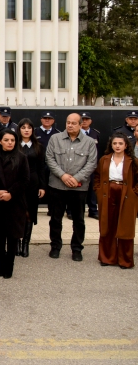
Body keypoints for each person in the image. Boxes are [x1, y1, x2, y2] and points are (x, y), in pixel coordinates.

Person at [46, 113, 98, 261]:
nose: (70, 125)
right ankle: (55, 246)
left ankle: (77, 248)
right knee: (55, 219)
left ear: (81, 125)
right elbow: (49, 158)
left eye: (74, 123)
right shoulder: (55, 139)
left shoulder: (89, 142)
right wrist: (63, 175)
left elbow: (91, 163)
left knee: (78, 220)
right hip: (57, 186)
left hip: (79, 188)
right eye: (68, 122)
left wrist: (76, 178)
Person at [0, 129, 29, 278]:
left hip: (15, 201)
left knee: (12, 236)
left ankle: (9, 265)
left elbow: (24, 180)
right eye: (6, 140)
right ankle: (0, 263)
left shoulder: (22, 157)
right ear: (0, 141)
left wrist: (10, 193)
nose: (10, 142)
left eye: (12, 140)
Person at [93, 133, 138, 269]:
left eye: (120, 144)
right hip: (108, 193)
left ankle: (125, 260)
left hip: (126, 194)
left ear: (125, 145)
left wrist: (134, 192)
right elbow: (97, 176)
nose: (117, 146)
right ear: (111, 145)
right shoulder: (105, 160)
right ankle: (107, 257)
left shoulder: (132, 161)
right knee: (108, 225)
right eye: (114, 143)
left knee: (125, 226)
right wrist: (99, 191)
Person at [17, 118, 46, 258]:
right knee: (18, 212)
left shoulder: (38, 146)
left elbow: (42, 168)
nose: (26, 130)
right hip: (17, 182)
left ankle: (25, 244)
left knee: (29, 213)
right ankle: (16, 241)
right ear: (19, 129)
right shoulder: (15, 145)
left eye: (29, 127)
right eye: (23, 127)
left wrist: (42, 186)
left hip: (33, 182)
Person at [80, 112, 100, 220]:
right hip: (78, 166)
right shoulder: (76, 133)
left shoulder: (95, 133)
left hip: (91, 166)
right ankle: (73, 211)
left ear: (90, 121)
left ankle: (93, 210)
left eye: (87, 119)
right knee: (77, 190)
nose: (84, 121)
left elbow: (97, 150)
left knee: (92, 190)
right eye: (82, 119)